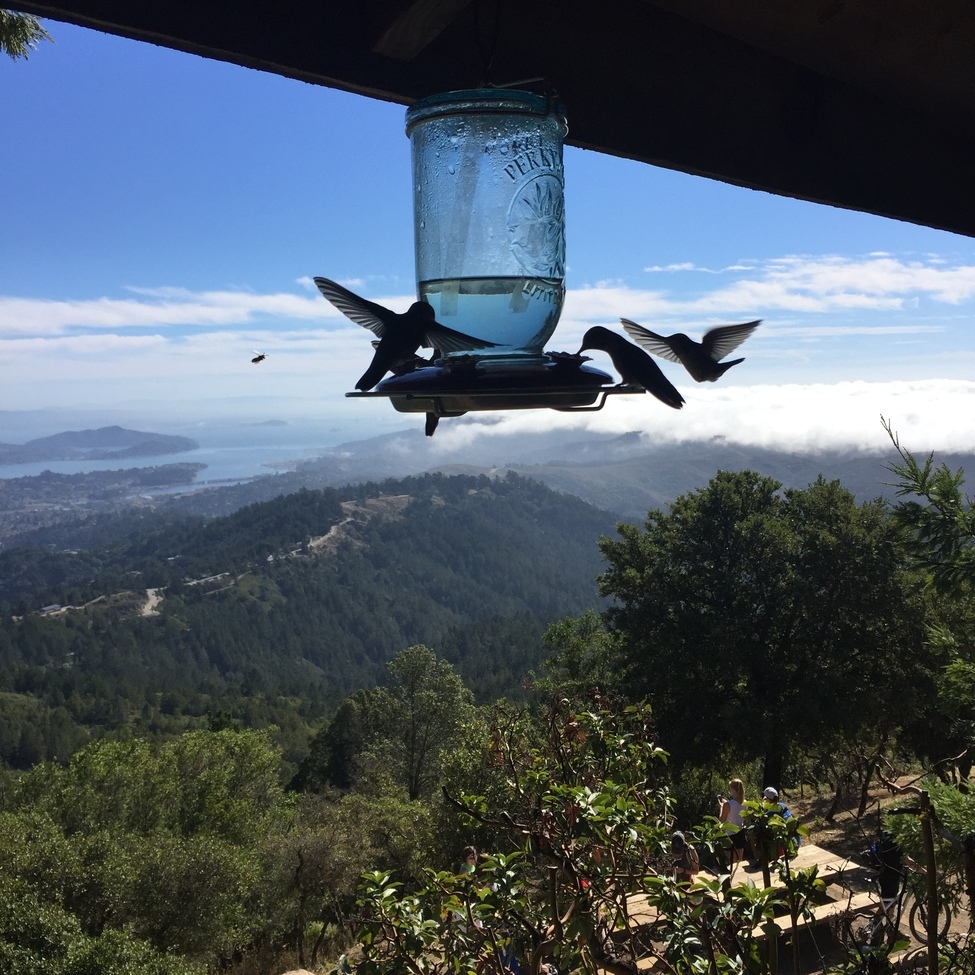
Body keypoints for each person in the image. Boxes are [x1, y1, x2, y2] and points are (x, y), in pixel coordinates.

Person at [718, 778, 747, 862]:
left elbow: (721, 821)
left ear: (733, 790)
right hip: (740, 832)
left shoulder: (727, 805)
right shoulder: (745, 803)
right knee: (739, 860)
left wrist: (721, 807)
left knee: (732, 861)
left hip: (729, 835)